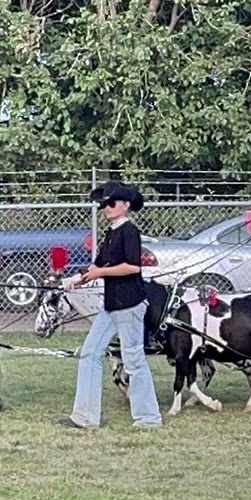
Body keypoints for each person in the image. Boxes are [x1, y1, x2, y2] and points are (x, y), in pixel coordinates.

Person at [58, 180, 162, 429]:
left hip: (130, 304)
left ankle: (148, 418)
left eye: (111, 203)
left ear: (125, 205)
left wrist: (99, 274)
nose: (106, 207)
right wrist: (76, 280)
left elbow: (133, 267)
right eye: (104, 204)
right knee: (89, 353)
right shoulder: (111, 233)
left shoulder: (129, 231)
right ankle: (85, 417)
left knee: (133, 359)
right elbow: (97, 265)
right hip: (111, 305)